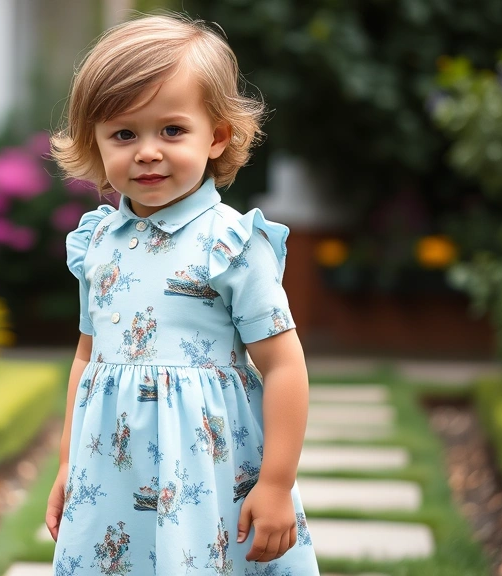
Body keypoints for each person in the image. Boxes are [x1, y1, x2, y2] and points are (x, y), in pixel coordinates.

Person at [44, 12, 321, 575]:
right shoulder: (98, 242)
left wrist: (276, 483)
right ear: (96, 142)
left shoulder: (231, 244)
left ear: (216, 136)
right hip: (111, 472)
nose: (147, 151)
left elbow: (284, 365)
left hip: (205, 470)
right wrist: (69, 463)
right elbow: (87, 357)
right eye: (124, 134)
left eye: (171, 130)